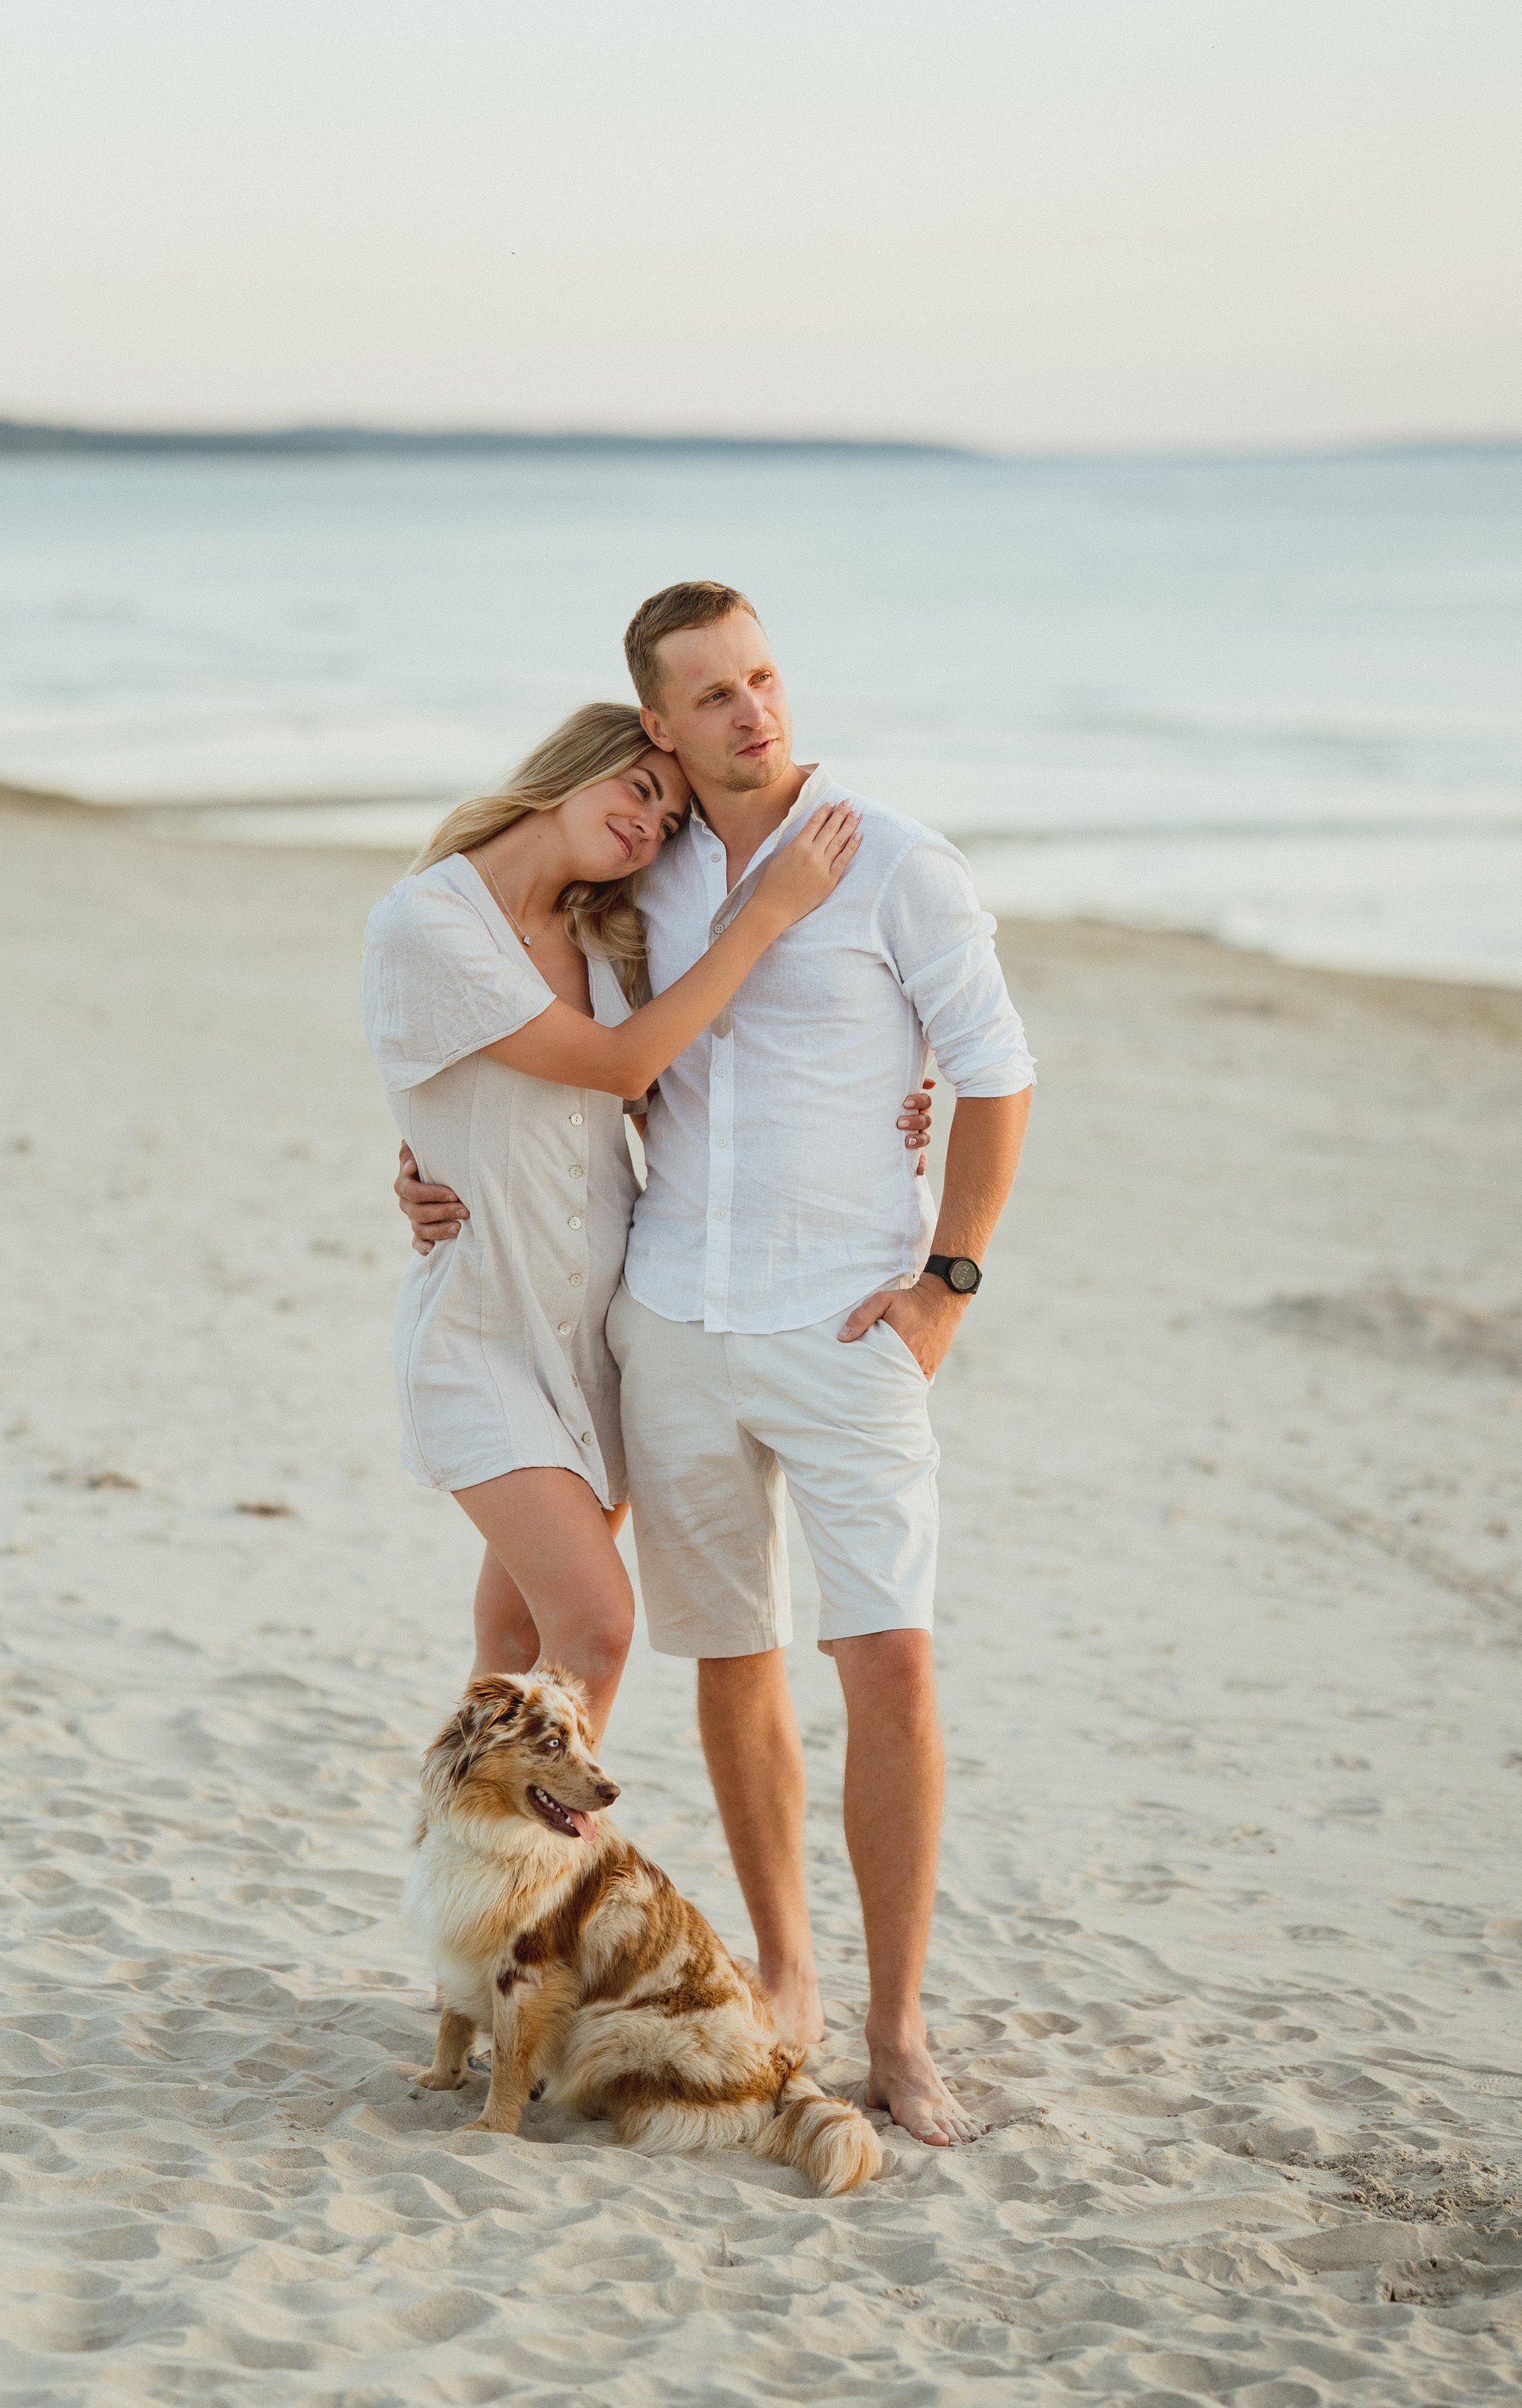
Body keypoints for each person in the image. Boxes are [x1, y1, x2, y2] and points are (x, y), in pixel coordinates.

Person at [399, 586, 1033, 2150]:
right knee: (730, 1659)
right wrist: (416, 1171)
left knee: (886, 1659)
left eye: (763, 679)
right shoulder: (645, 874)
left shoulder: (892, 863)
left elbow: (999, 1076)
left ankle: (896, 2024)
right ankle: (790, 1975)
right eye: (713, 696)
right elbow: (532, 1056)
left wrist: (944, 1286)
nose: (753, 712)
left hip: (846, 1332)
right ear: (657, 731)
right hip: (666, 1322)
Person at [362, 699, 867, 1742]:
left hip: (602, 1347)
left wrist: (906, 1098)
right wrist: (766, 910)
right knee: (597, 1628)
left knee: (512, 1650)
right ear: (569, 769)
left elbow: (705, 1084)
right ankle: (547, 1876)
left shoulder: (604, 933)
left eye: (673, 819)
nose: (650, 826)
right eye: (640, 788)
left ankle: (474, 1886)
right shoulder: (431, 920)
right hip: (482, 1339)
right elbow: (621, 1061)